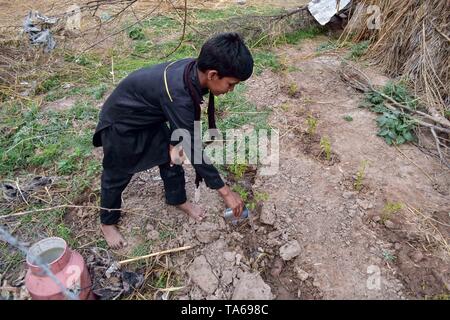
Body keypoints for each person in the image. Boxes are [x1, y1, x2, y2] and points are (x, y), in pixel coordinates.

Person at [92, 32, 254, 249]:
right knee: (117, 175)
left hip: (151, 116)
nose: (231, 90)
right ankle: (107, 223)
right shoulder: (179, 95)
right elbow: (194, 146)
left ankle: (177, 199)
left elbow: (185, 136)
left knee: (174, 156)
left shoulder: (193, 71)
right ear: (213, 74)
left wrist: (177, 141)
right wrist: (226, 192)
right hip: (122, 124)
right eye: (231, 84)